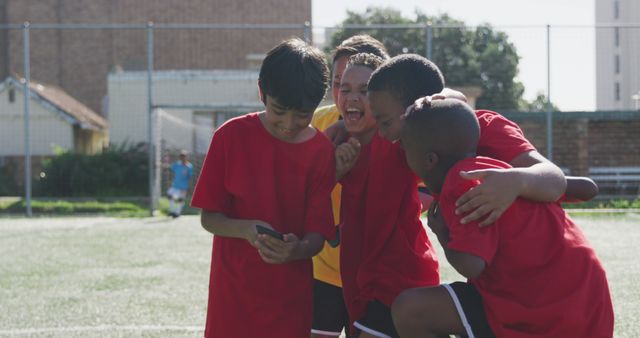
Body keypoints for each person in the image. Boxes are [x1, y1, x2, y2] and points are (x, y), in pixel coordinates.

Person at [392, 98, 614, 337]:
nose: (401, 152)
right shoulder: (496, 167)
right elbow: (582, 188)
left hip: (549, 311)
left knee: (410, 309)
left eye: (405, 146)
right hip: (588, 304)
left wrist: (442, 233)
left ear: (430, 159)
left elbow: (472, 265)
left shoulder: (461, 181)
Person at [190, 38, 336, 338]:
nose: (288, 123)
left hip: (290, 299)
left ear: (317, 104)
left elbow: (317, 237)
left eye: (302, 114)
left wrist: (296, 250)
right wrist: (246, 229)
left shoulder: (321, 151)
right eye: (279, 110)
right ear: (261, 92)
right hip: (232, 294)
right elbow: (209, 218)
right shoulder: (229, 137)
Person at [365, 54, 598, 226]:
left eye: (385, 122)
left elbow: (561, 180)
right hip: (497, 271)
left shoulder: (486, 128)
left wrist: (517, 182)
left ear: (415, 108)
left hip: (550, 268)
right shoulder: (406, 145)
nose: (382, 134)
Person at [334, 53, 440, 338]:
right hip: (357, 283)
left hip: (401, 281)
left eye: (365, 90)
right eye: (345, 89)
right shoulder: (336, 144)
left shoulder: (399, 139)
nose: (352, 97)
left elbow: (446, 99)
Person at [310, 35, 389, 338]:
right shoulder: (319, 124)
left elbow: (421, 192)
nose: (349, 96)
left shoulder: (399, 131)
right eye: (341, 84)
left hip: (377, 273)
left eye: (364, 88)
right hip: (323, 272)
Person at [167, 150, 193, 218]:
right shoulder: (176, 165)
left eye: (184, 156)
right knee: (170, 196)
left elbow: (190, 177)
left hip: (183, 186)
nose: (182, 157)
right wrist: (169, 180)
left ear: (186, 157)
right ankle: (172, 211)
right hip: (175, 185)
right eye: (181, 156)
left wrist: (190, 186)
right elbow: (171, 172)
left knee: (180, 200)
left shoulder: (189, 166)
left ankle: (177, 213)